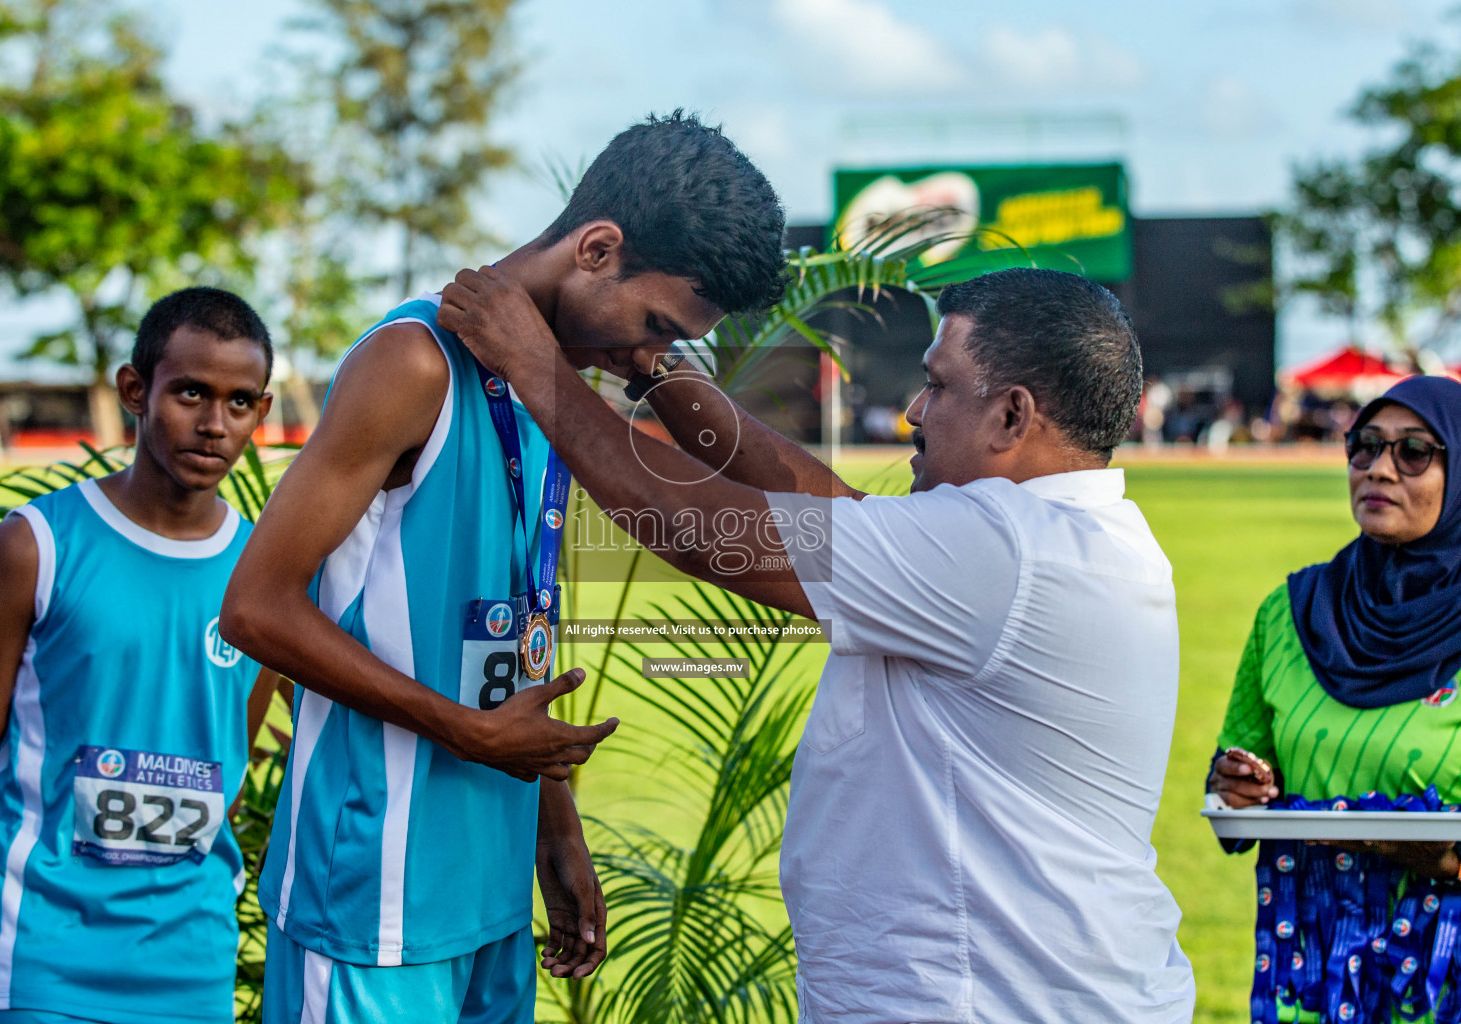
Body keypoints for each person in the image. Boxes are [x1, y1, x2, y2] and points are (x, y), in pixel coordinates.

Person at [436, 265, 1196, 1023]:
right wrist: (658, 370)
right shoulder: (1067, 536)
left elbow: (696, 526)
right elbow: (823, 500)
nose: (913, 411)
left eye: (937, 384)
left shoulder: (1002, 551)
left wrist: (531, 360)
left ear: (1011, 416)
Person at [217, 111, 787, 1023]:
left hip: (488, 885)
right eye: (653, 325)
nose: (650, 359)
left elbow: (514, 614)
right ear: (597, 248)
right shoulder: (414, 361)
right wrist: (467, 733)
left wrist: (554, 823)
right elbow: (254, 608)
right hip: (375, 893)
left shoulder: (550, 389)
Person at [0, 287, 283, 1024]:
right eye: (190, 392)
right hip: (43, 966)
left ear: (262, 409)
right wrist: (7, 927)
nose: (214, 424)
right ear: (135, 389)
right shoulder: (35, 547)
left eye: (240, 401)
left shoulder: (266, 576)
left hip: (192, 964)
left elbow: (228, 755)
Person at [1209, 375, 1461, 1022]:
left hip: (1439, 981)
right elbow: (1232, 790)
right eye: (1365, 446)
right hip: (1308, 983)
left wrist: (1446, 858)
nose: (1378, 468)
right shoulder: (1289, 614)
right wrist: (1237, 788)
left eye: (1413, 453)